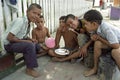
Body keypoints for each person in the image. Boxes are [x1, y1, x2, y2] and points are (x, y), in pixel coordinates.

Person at [2, 3, 42, 78]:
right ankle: (29, 69)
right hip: (8, 44)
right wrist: (27, 41)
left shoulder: (28, 23)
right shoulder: (20, 21)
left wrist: (31, 39)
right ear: (27, 12)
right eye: (34, 13)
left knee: (35, 44)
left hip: (15, 41)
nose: (36, 16)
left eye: (38, 15)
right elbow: (9, 38)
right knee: (29, 45)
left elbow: (23, 35)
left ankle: (32, 56)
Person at [83, 9, 120, 77]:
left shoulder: (106, 28)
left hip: (117, 43)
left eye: (86, 24)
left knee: (115, 52)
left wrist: (99, 38)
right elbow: (93, 35)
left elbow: (116, 46)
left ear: (94, 24)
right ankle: (95, 68)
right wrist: (93, 37)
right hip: (111, 42)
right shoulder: (95, 27)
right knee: (97, 43)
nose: (85, 26)